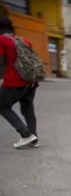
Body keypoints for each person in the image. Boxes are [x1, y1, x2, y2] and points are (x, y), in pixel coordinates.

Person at [0, 17, 39, 148]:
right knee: (27, 109)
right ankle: (34, 138)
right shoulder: (23, 40)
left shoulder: (1, 40)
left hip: (15, 81)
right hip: (31, 80)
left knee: (2, 105)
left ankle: (26, 134)